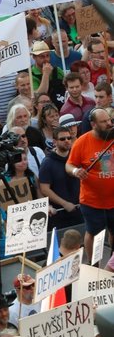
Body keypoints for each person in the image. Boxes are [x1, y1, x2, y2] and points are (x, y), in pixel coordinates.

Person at [66, 107, 114, 262]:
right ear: (93, 124)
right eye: (104, 122)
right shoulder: (82, 142)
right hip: (92, 200)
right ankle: (93, 263)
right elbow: (69, 165)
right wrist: (76, 172)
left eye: (109, 120)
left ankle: (112, 261)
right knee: (94, 232)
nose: (109, 124)